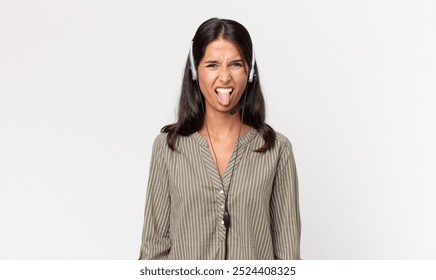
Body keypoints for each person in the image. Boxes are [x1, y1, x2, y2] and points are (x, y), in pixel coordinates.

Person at [139, 18, 301, 260]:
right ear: (195, 71)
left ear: (250, 71)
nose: (224, 77)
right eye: (212, 65)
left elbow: (288, 256)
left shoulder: (277, 150)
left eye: (235, 64)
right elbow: (153, 250)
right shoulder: (167, 148)